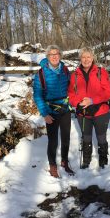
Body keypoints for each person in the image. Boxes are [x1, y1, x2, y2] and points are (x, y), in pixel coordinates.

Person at [33, 45, 73, 178]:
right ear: (47, 57)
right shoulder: (41, 74)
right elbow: (37, 95)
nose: (54, 56)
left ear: (60, 55)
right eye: (51, 54)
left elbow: (71, 88)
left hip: (65, 109)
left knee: (66, 138)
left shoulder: (65, 70)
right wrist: (45, 113)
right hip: (50, 111)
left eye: (56, 54)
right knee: (53, 141)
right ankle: (52, 165)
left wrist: (73, 103)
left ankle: (64, 161)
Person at [68, 47, 110, 169]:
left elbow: (107, 92)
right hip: (83, 113)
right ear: (80, 59)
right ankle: (86, 160)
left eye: (88, 57)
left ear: (93, 58)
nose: (86, 60)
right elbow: (70, 94)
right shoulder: (75, 75)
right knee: (86, 137)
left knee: (101, 136)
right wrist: (78, 103)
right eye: (83, 57)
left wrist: (92, 100)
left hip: (101, 111)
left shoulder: (100, 72)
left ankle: (103, 160)